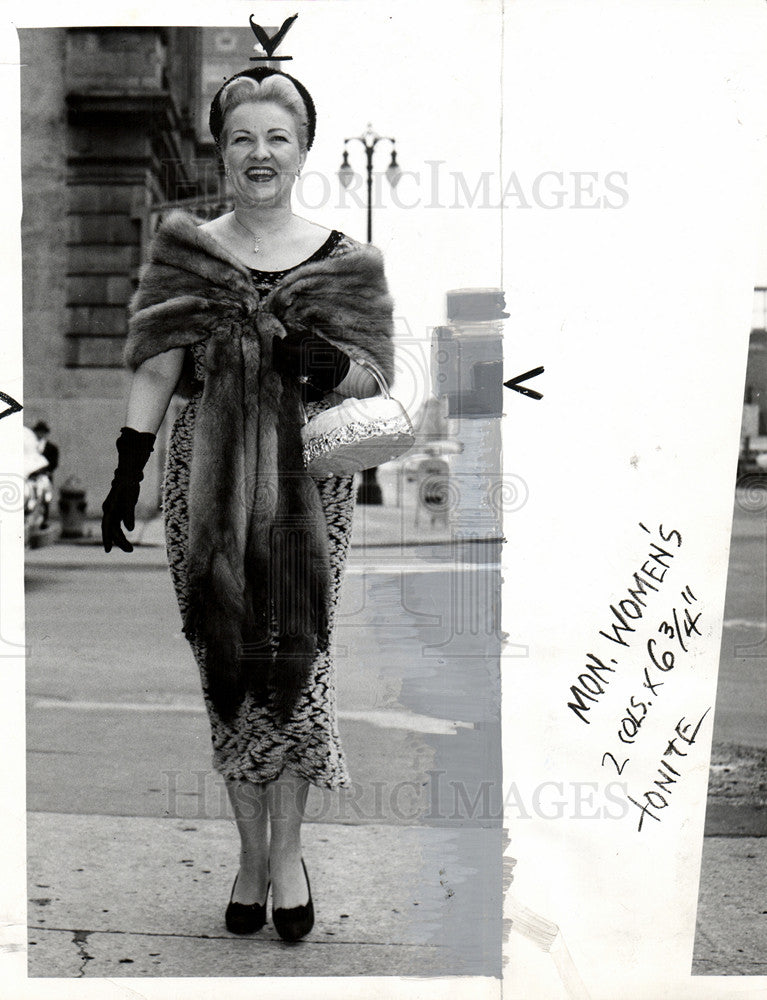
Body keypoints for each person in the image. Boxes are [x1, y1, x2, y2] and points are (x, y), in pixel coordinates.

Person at [100, 66, 395, 942]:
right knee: (222, 657)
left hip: (312, 484)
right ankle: (245, 855)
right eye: (241, 139)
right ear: (221, 152)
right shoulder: (185, 248)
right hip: (205, 480)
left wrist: (329, 367)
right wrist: (128, 471)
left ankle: (288, 856)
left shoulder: (348, 260)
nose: (258, 154)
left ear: (303, 150)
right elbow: (156, 364)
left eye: (276, 137)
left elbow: (376, 375)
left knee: (297, 661)